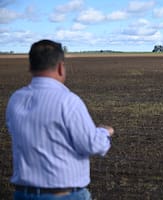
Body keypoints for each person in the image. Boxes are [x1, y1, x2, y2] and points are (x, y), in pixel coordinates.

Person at [5, 39, 114, 200]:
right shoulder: (68, 101)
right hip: (65, 195)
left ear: (30, 67)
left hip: (23, 194)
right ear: (60, 67)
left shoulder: (16, 99)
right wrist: (104, 132)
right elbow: (91, 145)